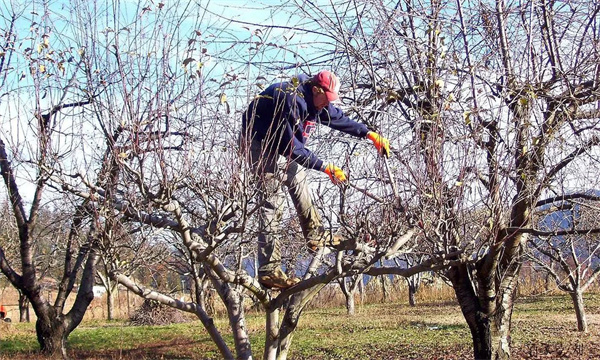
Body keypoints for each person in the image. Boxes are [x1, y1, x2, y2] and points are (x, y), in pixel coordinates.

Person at [241, 70, 390, 289]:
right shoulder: (289, 99)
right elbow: (291, 147)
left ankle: (315, 236)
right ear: (316, 90)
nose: (326, 105)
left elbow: (337, 118)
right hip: (258, 143)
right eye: (326, 99)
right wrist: (325, 167)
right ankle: (269, 271)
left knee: (299, 181)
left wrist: (368, 133)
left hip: (280, 144)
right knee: (272, 200)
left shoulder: (315, 102)